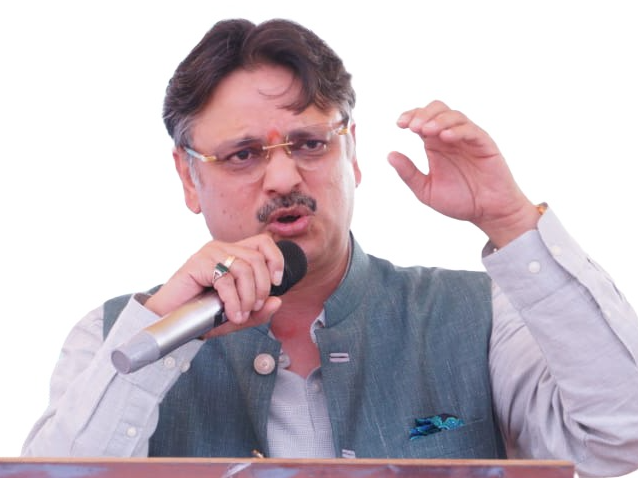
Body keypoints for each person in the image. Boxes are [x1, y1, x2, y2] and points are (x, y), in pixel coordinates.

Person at [21, 17, 638, 478]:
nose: (284, 177)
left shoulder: (482, 317)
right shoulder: (117, 337)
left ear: (352, 154)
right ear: (188, 178)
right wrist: (161, 333)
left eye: (310, 144)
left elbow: (621, 435)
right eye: (243, 155)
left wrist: (511, 220)